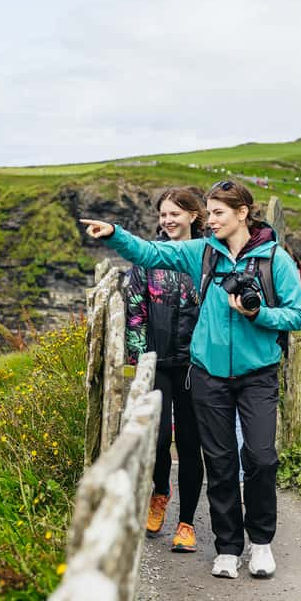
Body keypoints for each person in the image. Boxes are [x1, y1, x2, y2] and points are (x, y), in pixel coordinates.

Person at [80, 180, 301, 580]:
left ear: (242, 213)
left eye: (218, 212)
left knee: (260, 459)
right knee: (219, 462)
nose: (211, 219)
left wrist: (260, 316)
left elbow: (298, 314)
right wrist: (116, 234)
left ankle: (260, 543)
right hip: (208, 375)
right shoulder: (202, 254)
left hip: (258, 376)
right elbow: (151, 253)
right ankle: (227, 548)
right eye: (209, 211)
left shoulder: (276, 260)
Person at [123, 188, 207, 553]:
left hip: (196, 364)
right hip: (156, 362)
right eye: (163, 215)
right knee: (157, 442)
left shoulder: (208, 257)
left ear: (193, 215)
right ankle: (160, 491)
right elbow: (135, 309)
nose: (169, 220)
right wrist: (142, 358)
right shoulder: (148, 258)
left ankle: (186, 523)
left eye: (176, 213)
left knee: (191, 445)